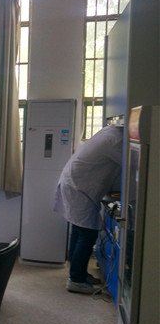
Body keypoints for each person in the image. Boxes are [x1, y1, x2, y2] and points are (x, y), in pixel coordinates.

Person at [53, 123, 123, 294]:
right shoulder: (116, 139)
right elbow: (135, 164)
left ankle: (78, 273)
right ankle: (76, 279)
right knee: (87, 233)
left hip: (76, 185)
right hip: (79, 188)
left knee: (79, 231)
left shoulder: (110, 133)